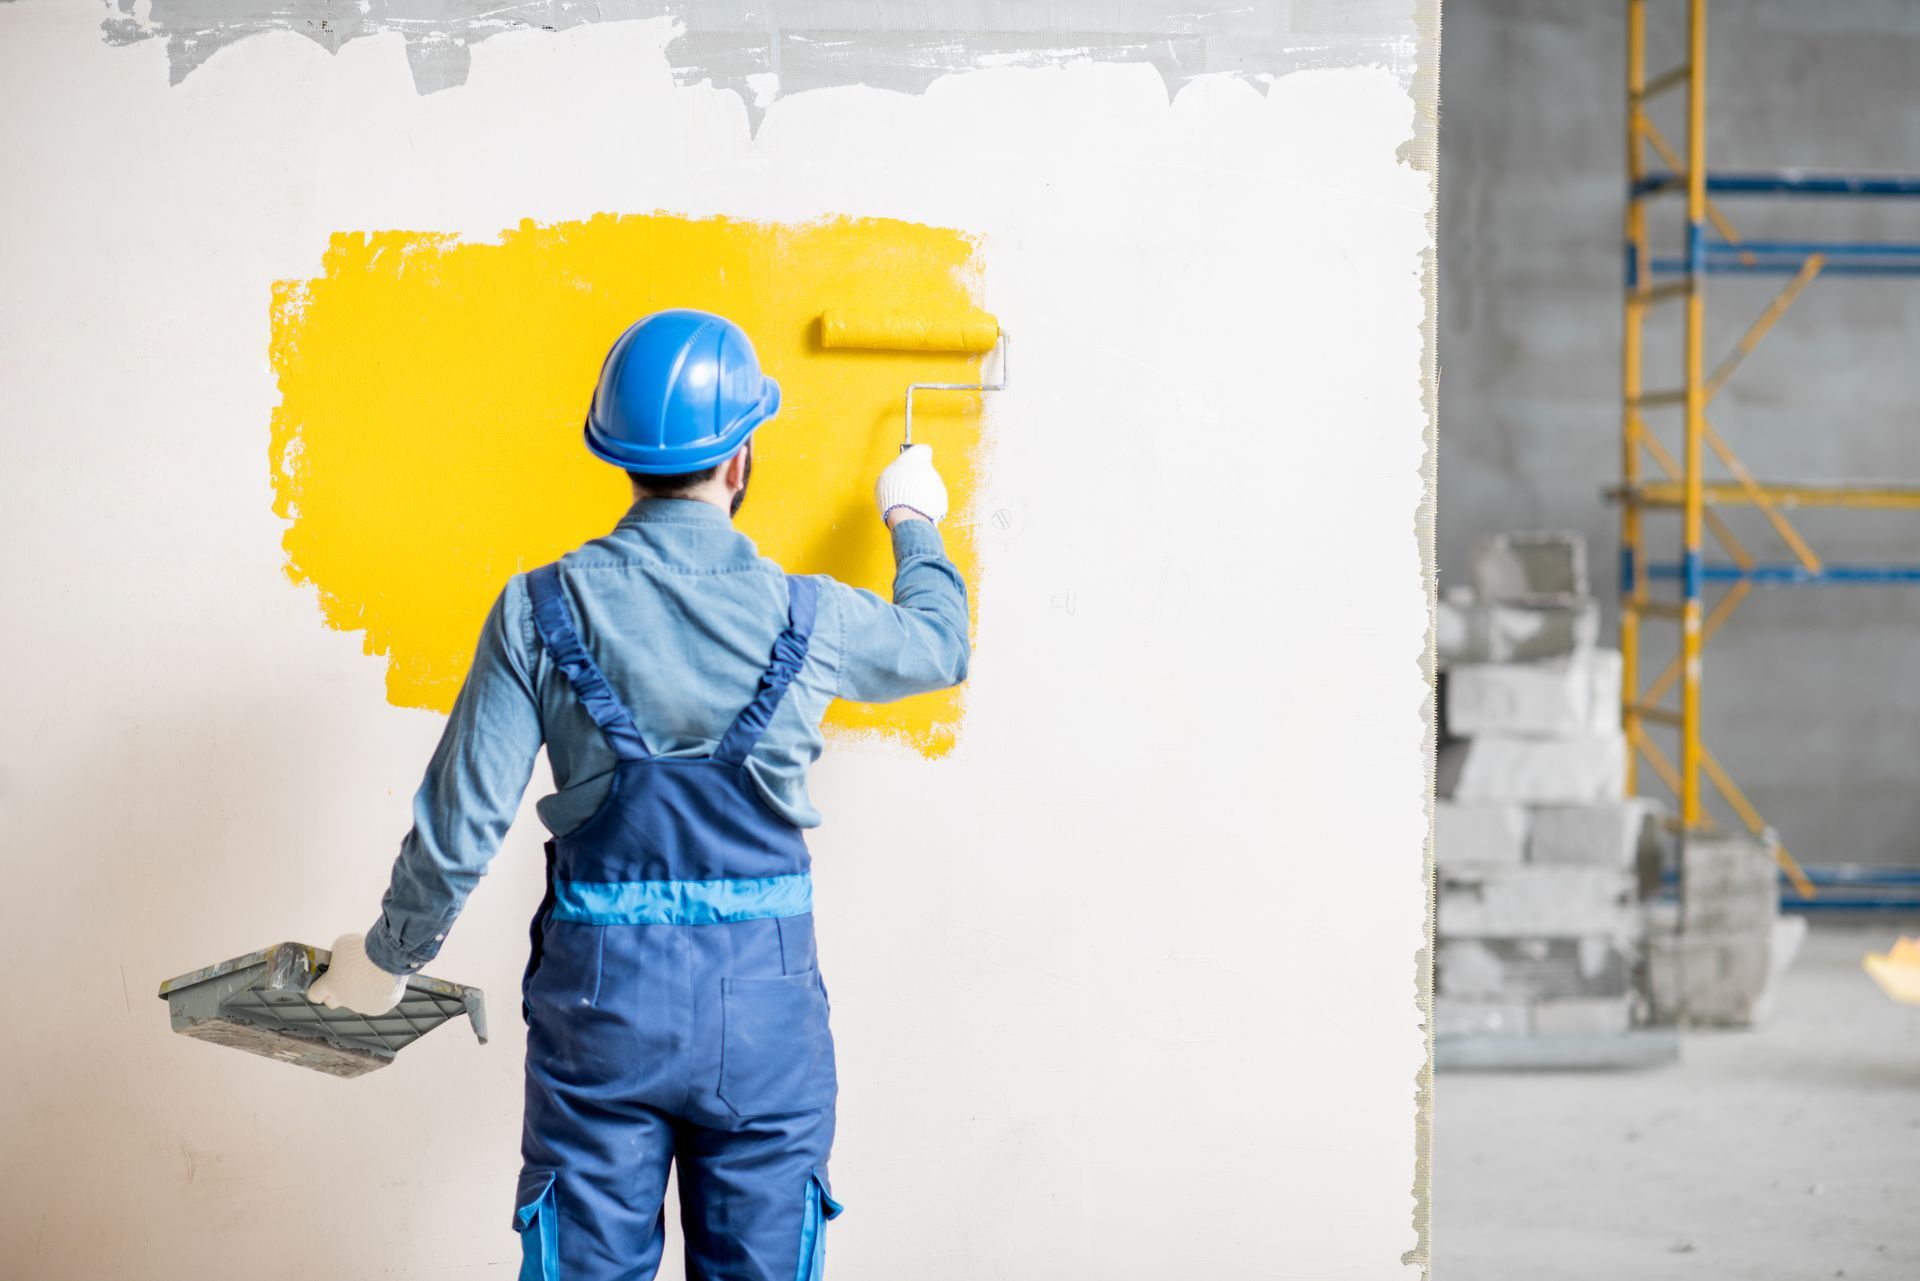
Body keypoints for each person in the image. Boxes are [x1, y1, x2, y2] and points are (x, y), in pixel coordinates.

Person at [306, 307, 970, 1280]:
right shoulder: (813, 615)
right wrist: (913, 518)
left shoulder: (539, 608)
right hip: (765, 1019)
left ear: (617, 455)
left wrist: (388, 957)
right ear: (740, 459)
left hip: (601, 1013)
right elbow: (941, 645)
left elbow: (460, 828)